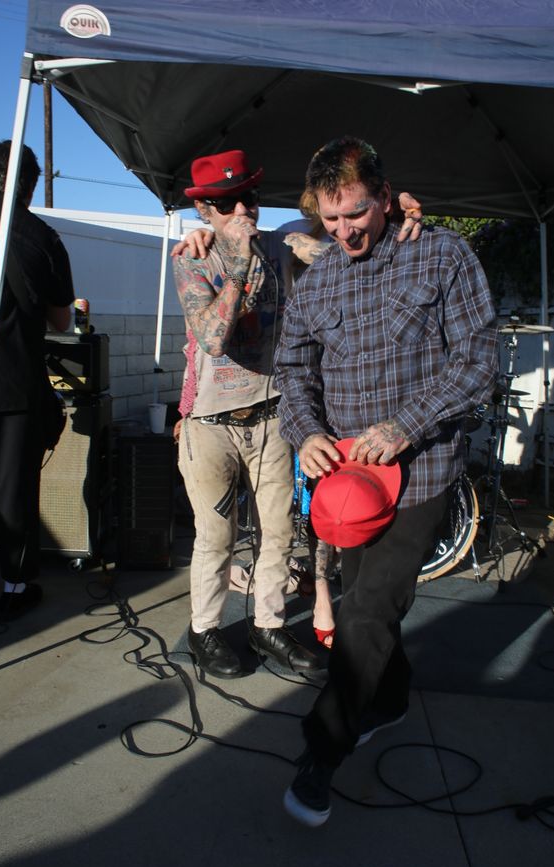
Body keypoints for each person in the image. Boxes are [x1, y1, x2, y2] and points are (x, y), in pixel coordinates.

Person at [274, 135, 499, 826]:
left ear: (384, 193)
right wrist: (306, 431)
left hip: (422, 470)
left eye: (357, 214)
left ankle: (322, 750)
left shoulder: (442, 254)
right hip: (347, 484)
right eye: (330, 219)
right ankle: (391, 699)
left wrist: (406, 426)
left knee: (368, 610)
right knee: (364, 603)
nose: (345, 232)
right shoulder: (317, 280)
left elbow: (478, 359)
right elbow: (292, 370)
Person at [172, 149, 423, 680]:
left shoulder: (283, 244)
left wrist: (400, 213)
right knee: (216, 536)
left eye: (248, 198)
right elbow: (213, 339)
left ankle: (268, 624)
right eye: (225, 204)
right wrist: (237, 259)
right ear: (204, 212)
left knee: (279, 533)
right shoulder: (192, 259)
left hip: (270, 416)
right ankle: (204, 630)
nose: (242, 210)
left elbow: (351, 238)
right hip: (210, 423)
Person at [0, 141, 75, 621]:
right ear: (31, 186)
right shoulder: (43, 237)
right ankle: (14, 588)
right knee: (13, 490)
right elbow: (61, 320)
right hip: (15, 383)